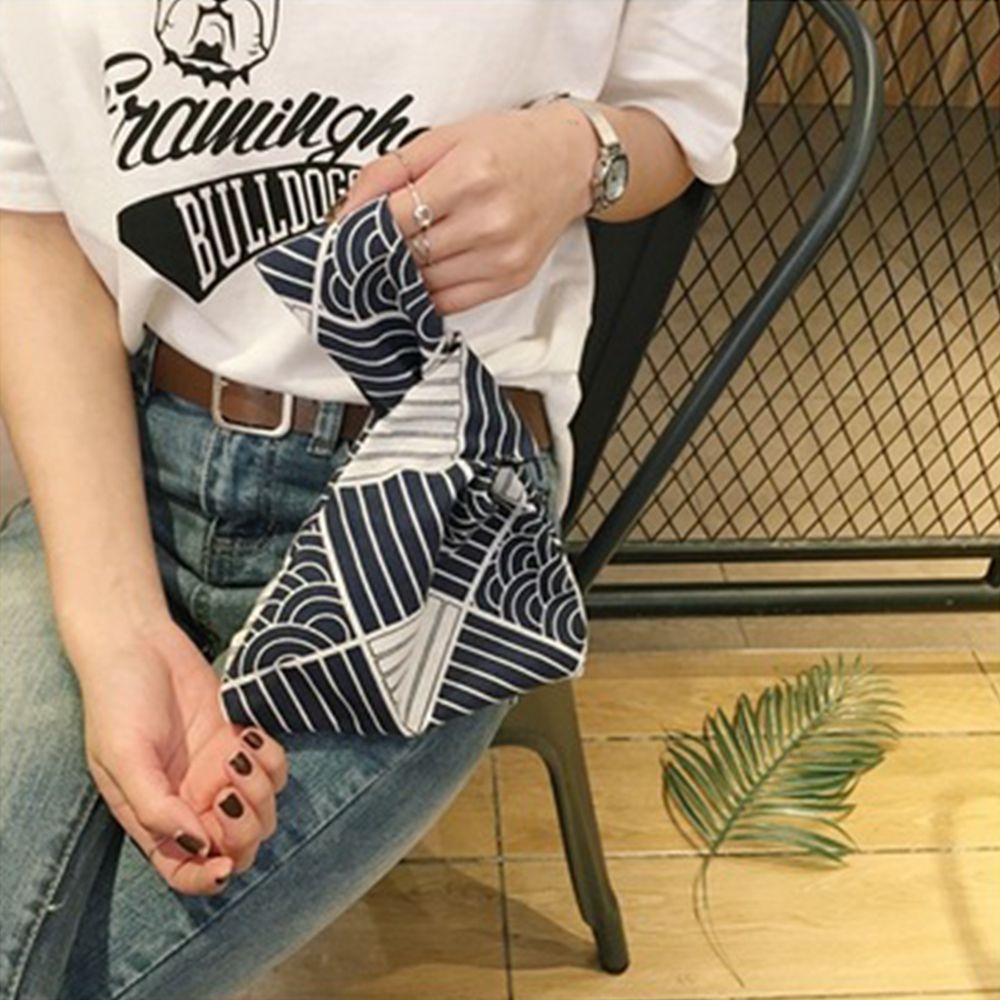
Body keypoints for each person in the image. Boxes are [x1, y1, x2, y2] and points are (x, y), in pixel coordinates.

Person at [0, 1, 749, 996]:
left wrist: (578, 152)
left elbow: (681, 117)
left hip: (436, 489)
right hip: (114, 447)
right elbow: (29, 214)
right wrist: (114, 629)